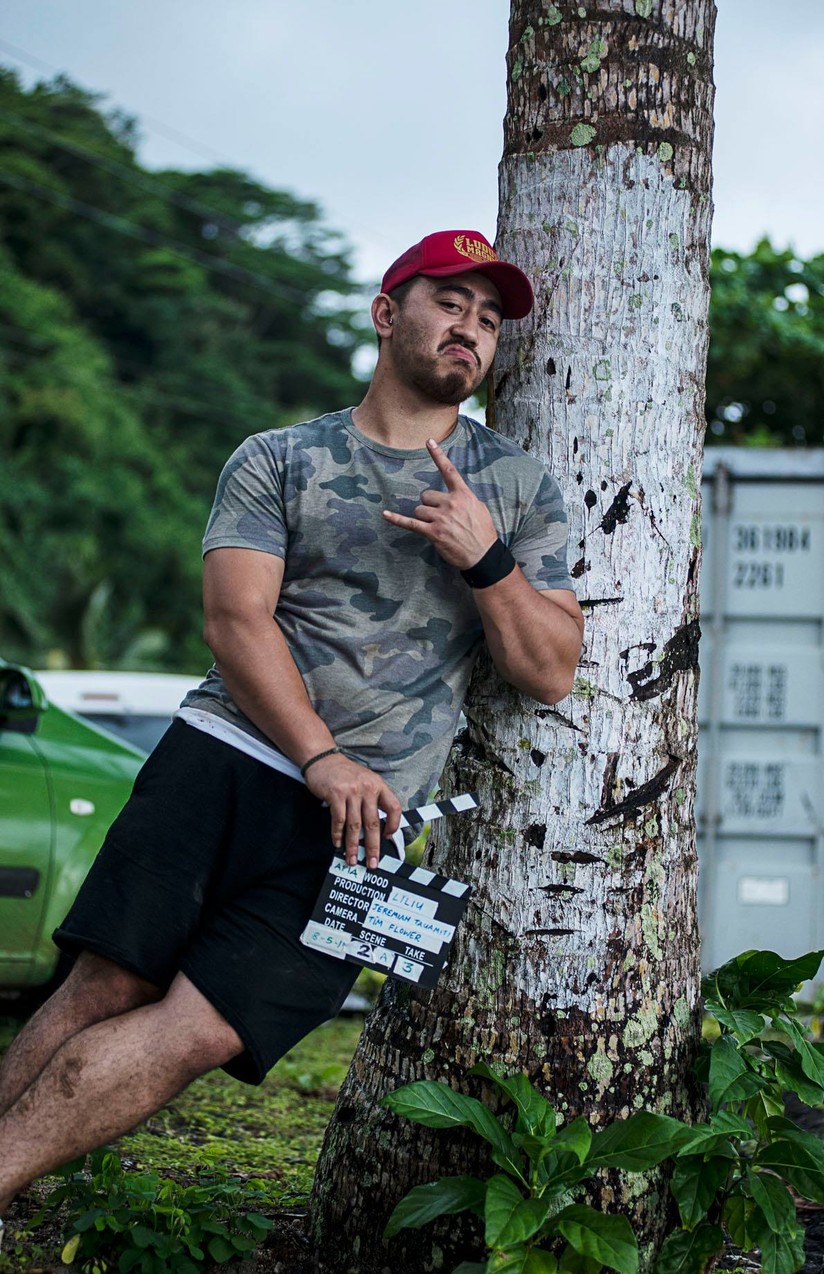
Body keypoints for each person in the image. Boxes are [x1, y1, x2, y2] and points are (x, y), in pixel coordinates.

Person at [0, 228, 584, 1226]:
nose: (469, 330)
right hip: (225, 757)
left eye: (488, 320)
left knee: (203, 1029)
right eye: (450, 302)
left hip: (366, 827)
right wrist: (319, 755)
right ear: (385, 311)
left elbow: (551, 671)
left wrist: (486, 560)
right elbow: (235, 618)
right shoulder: (280, 456)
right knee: (106, 983)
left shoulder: (517, 488)